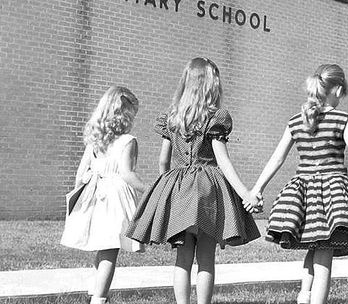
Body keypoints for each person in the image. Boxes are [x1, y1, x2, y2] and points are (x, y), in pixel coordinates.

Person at [125, 57, 261, 304]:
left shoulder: (172, 117)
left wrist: (165, 192)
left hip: (179, 191)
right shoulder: (215, 117)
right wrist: (246, 194)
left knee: (183, 259)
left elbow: (163, 162)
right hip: (208, 191)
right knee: (206, 258)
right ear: (212, 85)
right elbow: (224, 163)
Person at [250, 64, 348, 304]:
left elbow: (277, 158)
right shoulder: (342, 119)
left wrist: (257, 188)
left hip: (303, 193)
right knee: (324, 254)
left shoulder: (296, 121)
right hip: (332, 194)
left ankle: (304, 296)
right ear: (338, 90)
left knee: (314, 244)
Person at [60, 86, 147, 304]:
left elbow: (80, 175)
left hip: (96, 194)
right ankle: (99, 299)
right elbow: (127, 174)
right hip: (115, 199)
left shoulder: (95, 140)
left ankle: (95, 291)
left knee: (103, 247)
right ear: (124, 114)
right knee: (111, 250)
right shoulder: (128, 141)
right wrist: (149, 189)